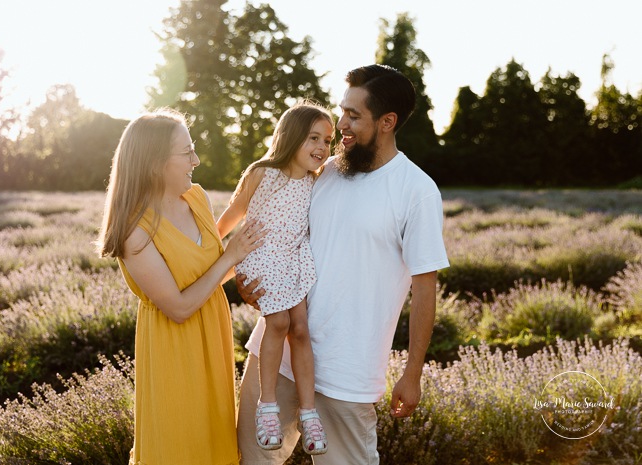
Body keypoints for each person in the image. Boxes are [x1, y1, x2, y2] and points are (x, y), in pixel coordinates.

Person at [236, 64, 450, 465]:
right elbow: (273, 229)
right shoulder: (323, 171)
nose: (341, 124)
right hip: (277, 355)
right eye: (342, 110)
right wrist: (248, 278)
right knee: (249, 460)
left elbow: (425, 287)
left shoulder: (416, 191)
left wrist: (413, 372)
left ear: (387, 122)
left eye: (354, 115)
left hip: (347, 372)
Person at [96, 108, 265, 465]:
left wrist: (255, 255)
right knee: (178, 447)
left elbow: (212, 275)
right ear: (155, 162)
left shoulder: (197, 198)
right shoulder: (133, 230)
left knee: (214, 444)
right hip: (173, 350)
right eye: (186, 152)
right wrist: (230, 254)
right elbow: (178, 307)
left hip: (213, 341)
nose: (197, 160)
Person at [217, 102, 335, 455]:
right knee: (280, 323)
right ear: (291, 136)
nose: (321, 147)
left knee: (301, 329)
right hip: (261, 256)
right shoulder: (262, 172)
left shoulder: (316, 183)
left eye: (327, 141)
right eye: (313, 138)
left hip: (292, 260)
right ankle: (267, 406)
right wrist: (208, 256)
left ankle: (308, 412)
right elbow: (228, 219)